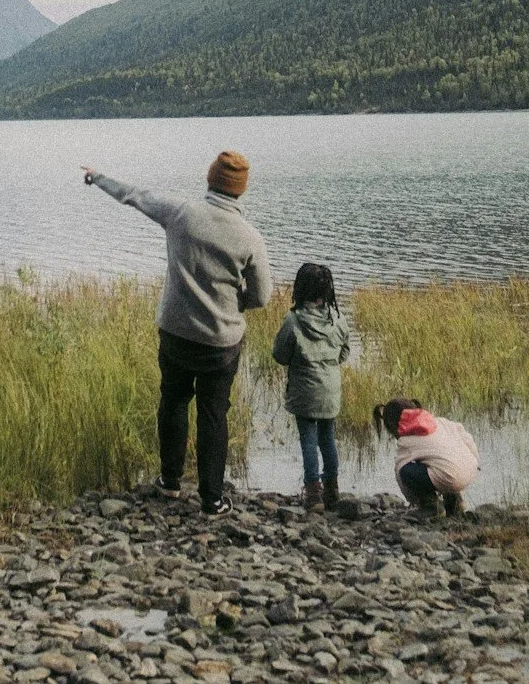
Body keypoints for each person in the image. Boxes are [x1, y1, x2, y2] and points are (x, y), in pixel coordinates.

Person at [84, 152, 275, 515]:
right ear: (241, 189)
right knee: (213, 414)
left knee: (173, 402)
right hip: (221, 342)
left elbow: (135, 195)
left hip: (175, 333)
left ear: (210, 179)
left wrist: (97, 177)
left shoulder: (181, 212)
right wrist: (234, 304)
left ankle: (170, 482)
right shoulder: (250, 237)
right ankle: (212, 499)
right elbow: (262, 296)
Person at [271, 261, 354, 511]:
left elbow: (280, 355)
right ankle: (332, 489)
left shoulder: (293, 320)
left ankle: (313, 493)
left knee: (308, 440)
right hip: (330, 389)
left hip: (304, 391)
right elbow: (344, 352)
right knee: (328, 439)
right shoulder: (337, 318)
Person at [375, 397, 480, 517]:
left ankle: (431, 507)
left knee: (406, 470)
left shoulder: (406, 441)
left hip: (451, 477)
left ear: (393, 426)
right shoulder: (441, 421)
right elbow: (468, 439)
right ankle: (455, 503)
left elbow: (400, 472)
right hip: (470, 470)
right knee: (441, 462)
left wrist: (413, 501)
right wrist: (476, 461)